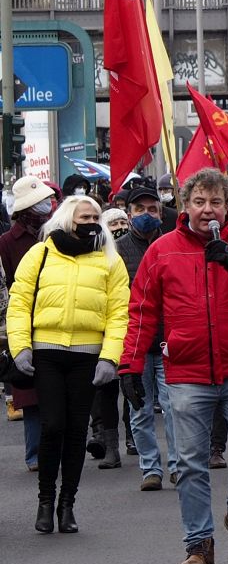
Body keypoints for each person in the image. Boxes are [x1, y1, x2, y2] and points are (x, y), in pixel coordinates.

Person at [121, 168, 228, 564]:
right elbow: (142, 311)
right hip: (186, 370)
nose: (206, 210)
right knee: (190, 463)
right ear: (185, 205)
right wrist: (131, 365)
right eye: (198, 202)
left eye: (215, 202)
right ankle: (199, 544)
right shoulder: (162, 250)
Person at [10, 195, 129, 534]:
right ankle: (45, 501)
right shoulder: (41, 253)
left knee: (76, 432)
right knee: (52, 427)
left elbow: (119, 313)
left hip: (87, 357)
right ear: (65, 219)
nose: (90, 221)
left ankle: (67, 505)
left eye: (95, 216)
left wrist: (110, 356)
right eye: (83, 216)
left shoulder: (109, 259)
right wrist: (21, 348)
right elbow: (20, 302)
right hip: (45, 354)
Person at [112, 197, 170, 489]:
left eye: (152, 210)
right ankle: (151, 469)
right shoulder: (118, 250)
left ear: (161, 213)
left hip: (169, 341)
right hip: (135, 343)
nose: (146, 215)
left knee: (175, 408)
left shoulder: (172, 245)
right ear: (129, 214)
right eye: (139, 210)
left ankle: (177, 465)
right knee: (140, 408)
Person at [3, 175, 57, 472]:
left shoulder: (56, 234)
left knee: (57, 391)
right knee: (29, 393)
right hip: (24, 320)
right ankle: (35, 454)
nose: (47, 205)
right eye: (41, 202)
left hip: (57, 317)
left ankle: (56, 449)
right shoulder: (7, 242)